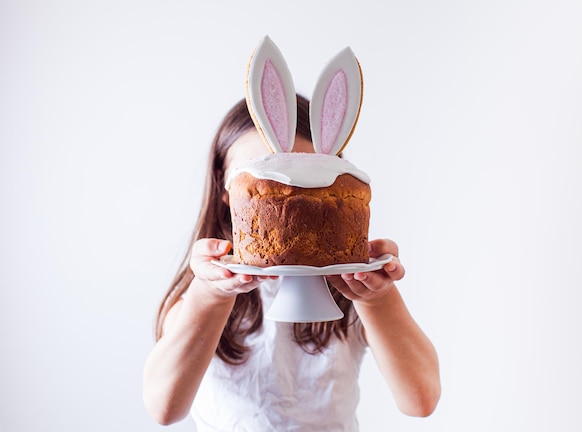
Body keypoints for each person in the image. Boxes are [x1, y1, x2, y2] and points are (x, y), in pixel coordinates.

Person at [143, 94, 441, 431]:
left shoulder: (350, 295)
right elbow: (163, 408)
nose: (289, 193)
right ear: (225, 187)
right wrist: (210, 294)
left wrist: (378, 297)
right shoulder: (197, 299)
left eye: (306, 179)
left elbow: (421, 398)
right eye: (265, 173)